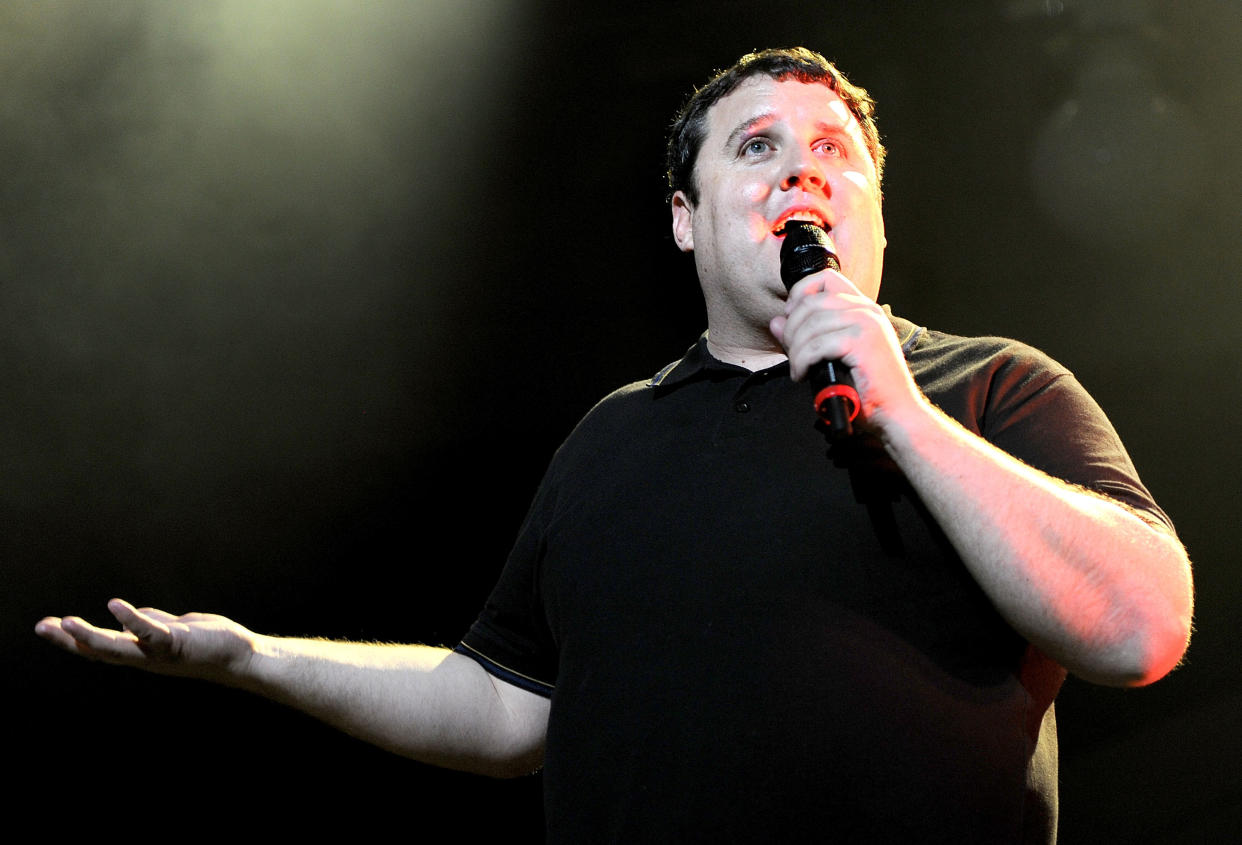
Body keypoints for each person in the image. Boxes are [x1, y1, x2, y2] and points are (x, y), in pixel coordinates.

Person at [36, 47, 1192, 843]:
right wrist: (254, 658)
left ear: (876, 209)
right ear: (685, 219)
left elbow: (1138, 624)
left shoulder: (989, 385)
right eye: (755, 146)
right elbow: (503, 706)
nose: (803, 167)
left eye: (836, 150)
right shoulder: (612, 438)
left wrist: (899, 407)